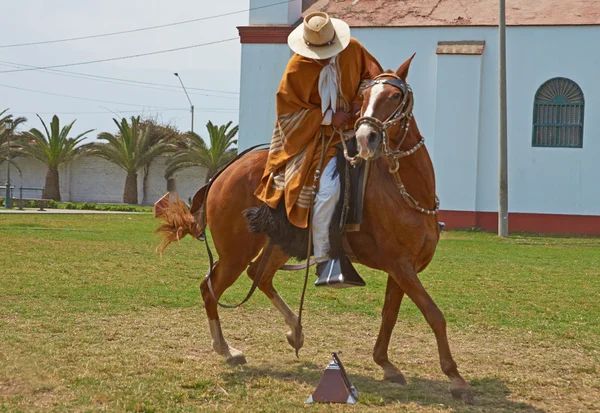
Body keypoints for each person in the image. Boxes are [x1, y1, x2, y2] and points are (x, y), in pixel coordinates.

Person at [254, 12, 382, 287]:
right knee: (327, 188)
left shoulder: (355, 49)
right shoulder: (296, 69)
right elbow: (288, 113)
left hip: (355, 128)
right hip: (314, 138)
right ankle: (325, 256)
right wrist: (327, 117)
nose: (325, 56)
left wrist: (360, 103)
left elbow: (372, 81)